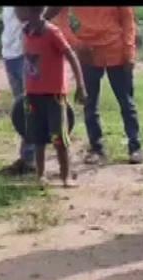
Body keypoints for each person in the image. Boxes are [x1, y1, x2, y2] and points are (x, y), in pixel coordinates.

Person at [51, 7, 143, 165]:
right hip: (88, 52)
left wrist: (129, 52)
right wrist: (77, 44)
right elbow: (60, 20)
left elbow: (128, 19)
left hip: (117, 50)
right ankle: (97, 148)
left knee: (126, 103)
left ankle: (135, 147)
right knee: (90, 103)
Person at [17, 6, 86, 188]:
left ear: (33, 11)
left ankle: (65, 177)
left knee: (58, 138)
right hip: (32, 95)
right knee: (37, 136)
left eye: (19, 10)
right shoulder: (25, 32)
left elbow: (71, 55)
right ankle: (40, 175)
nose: (16, 13)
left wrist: (80, 85)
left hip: (53, 95)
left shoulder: (51, 32)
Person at [0, 6, 36, 175]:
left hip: (24, 54)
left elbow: (30, 15)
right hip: (10, 54)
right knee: (22, 109)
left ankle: (30, 159)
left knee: (29, 108)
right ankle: (26, 157)